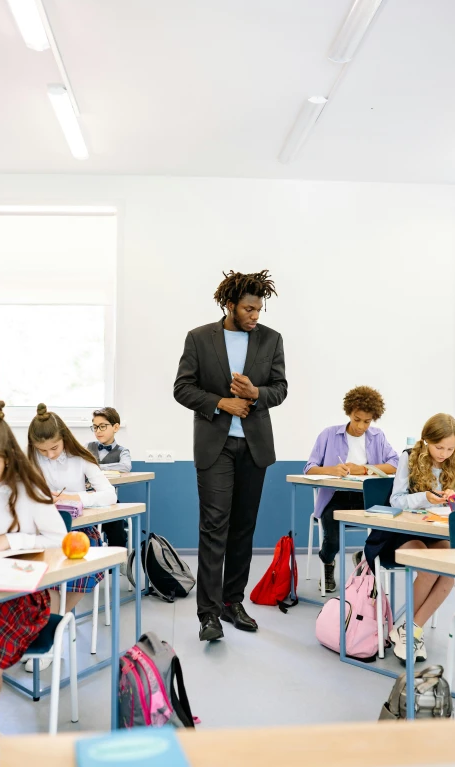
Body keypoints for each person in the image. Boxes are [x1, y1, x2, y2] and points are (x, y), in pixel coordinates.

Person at [174, 270, 287, 642]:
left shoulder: (271, 339)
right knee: (214, 527)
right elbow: (182, 388)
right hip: (215, 445)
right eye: (249, 309)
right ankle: (208, 615)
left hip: (254, 446)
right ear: (230, 305)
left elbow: (280, 389)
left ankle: (231, 602)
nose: (256, 315)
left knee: (243, 528)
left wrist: (255, 393)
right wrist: (221, 402)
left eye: (259, 309)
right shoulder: (199, 338)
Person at [0, 397, 66, 737]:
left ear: (8, 460)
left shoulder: (27, 489)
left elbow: (59, 539)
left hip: (17, 595)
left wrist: (10, 541)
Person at [364, 413, 455, 663]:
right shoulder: (409, 456)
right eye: (439, 447)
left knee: (450, 571)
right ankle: (410, 634)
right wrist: (425, 497)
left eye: (450, 448)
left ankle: (409, 630)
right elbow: (395, 501)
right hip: (401, 532)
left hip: (433, 528)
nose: (444, 453)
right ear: (426, 440)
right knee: (429, 570)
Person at [27, 403, 116, 665]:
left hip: (79, 531)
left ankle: (49, 630)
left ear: (64, 439)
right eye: (42, 450)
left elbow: (110, 495)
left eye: (54, 448)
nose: (50, 455)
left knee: (76, 566)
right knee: (44, 570)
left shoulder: (82, 459)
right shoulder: (32, 459)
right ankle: (45, 628)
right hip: (45, 530)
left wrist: (71, 496)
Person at [304, 386, 398, 592]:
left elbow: (395, 464)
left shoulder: (377, 436)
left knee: (386, 529)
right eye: (357, 419)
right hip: (335, 497)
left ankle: (364, 556)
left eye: (367, 421)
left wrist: (364, 469)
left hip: (367, 498)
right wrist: (333, 469)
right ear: (349, 412)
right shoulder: (328, 435)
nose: (361, 426)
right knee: (334, 539)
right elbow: (309, 468)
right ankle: (328, 561)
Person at [86, 407, 131, 548]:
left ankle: (115, 566)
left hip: (108, 500)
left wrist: (94, 468)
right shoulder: (88, 447)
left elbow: (125, 466)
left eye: (102, 426)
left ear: (116, 427)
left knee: (117, 532)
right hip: (87, 498)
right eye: (95, 427)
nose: (98, 431)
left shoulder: (122, 451)